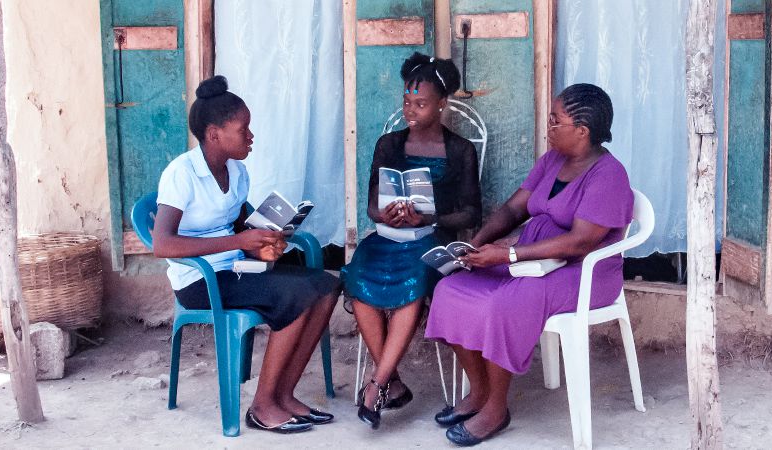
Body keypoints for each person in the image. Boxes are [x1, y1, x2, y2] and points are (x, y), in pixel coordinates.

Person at [424, 83, 634, 446]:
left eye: (556, 121)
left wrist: (508, 255)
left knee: (505, 304)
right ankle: (479, 391)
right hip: (532, 257)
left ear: (582, 132)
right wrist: (473, 246)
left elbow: (580, 241)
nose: (548, 127)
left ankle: (495, 409)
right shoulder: (551, 161)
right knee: (450, 288)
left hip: (582, 272)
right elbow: (512, 209)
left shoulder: (609, 175)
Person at [152, 76, 339, 435]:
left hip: (236, 269)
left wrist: (268, 237)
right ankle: (262, 406)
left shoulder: (237, 172)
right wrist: (239, 242)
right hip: (200, 280)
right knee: (296, 296)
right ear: (214, 134)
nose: (251, 137)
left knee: (327, 286)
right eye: (244, 129)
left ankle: (284, 394)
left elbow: (241, 223)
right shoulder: (182, 174)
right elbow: (163, 244)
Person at [341, 52, 482, 429]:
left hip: (432, 238)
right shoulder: (389, 144)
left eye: (421, 103)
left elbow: (471, 214)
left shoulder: (460, 150)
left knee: (415, 278)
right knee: (357, 273)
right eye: (407, 101)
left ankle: (377, 384)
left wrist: (429, 217)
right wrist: (382, 214)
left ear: (441, 105)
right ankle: (394, 383)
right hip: (389, 236)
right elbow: (372, 203)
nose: (411, 110)